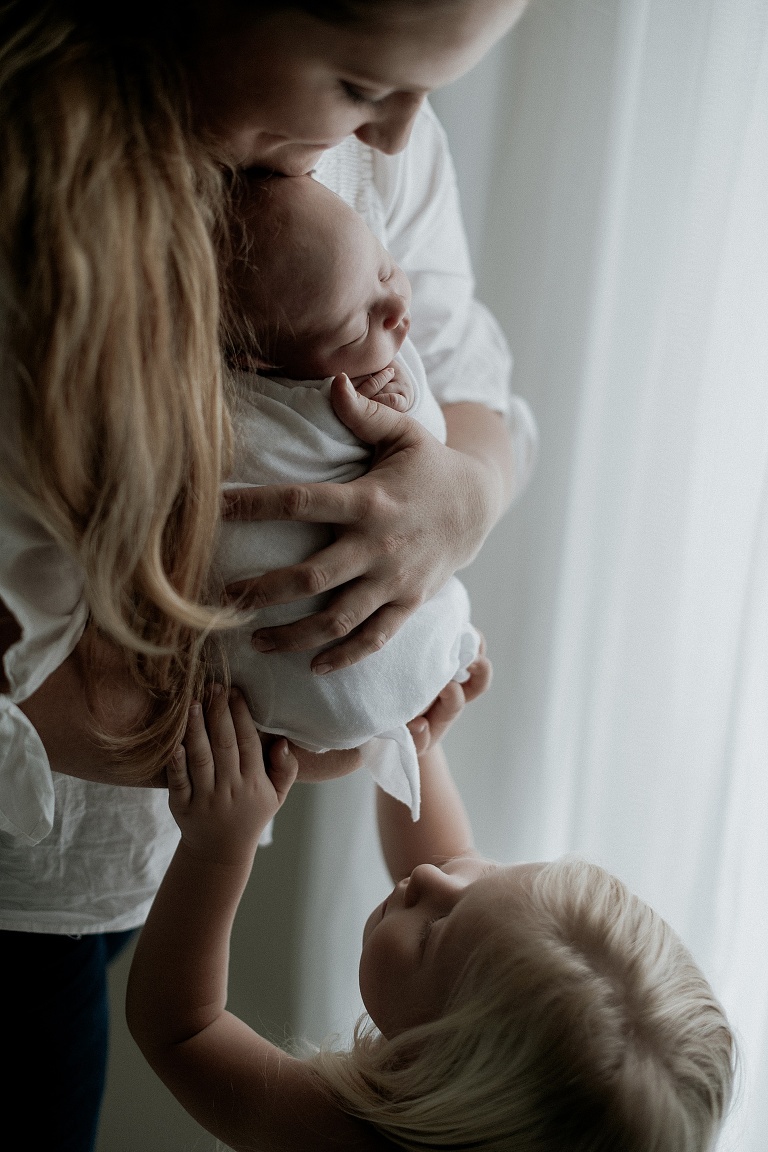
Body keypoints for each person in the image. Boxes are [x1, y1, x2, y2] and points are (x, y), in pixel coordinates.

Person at [0, 0, 533, 1147]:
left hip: (122, 856)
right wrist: (297, 744)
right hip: (27, 867)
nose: (393, 135)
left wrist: (461, 501)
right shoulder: (35, 233)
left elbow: (461, 358)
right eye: (360, 85)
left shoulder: (359, 155)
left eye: (427, 89)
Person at [126, 688, 735, 1152]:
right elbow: (444, 860)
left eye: (434, 934)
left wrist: (219, 848)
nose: (431, 879)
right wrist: (413, 740)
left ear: (427, 1071)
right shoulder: (463, 1075)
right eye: (490, 874)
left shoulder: (341, 1141)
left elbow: (179, 1027)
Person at [217, 172, 498, 819]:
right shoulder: (239, 414)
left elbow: (468, 408)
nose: (397, 312)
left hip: (311, 722)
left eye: (385, 269)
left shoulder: (373, 185)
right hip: (242, 735)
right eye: (354, 330)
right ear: (257, 363)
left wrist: (429, 440)